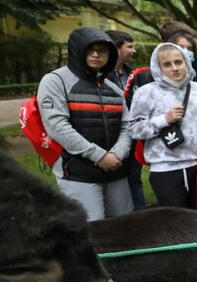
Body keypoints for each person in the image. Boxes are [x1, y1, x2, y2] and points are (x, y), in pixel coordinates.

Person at [37, 27, 133, 221]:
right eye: (90, 49)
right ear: (77, 50)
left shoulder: (113, 88)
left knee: (124, 226)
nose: (96, 55)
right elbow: (57, 125)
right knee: (91, 229)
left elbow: (127, 126)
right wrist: (98, 156)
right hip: (78, 174)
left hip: (116, 170)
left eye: (102, 50)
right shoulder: (55, 81)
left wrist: (116, 154)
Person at [127, 43, 197, 208]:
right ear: (157, 68)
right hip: (165, 168)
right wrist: (163, 119)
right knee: (176, 222)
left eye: (178, 62)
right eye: (167, 64)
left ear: (186, 62)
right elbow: (134, 129)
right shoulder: (144, 93)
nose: (174, 68)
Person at [106, 29, 146, 211]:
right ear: (116, 49)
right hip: (112, 137)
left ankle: (141, 214)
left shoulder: (136, 76)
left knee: (134, 177)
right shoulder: (101, 77)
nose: (133, 50)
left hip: (134, 136)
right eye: (129, 46)